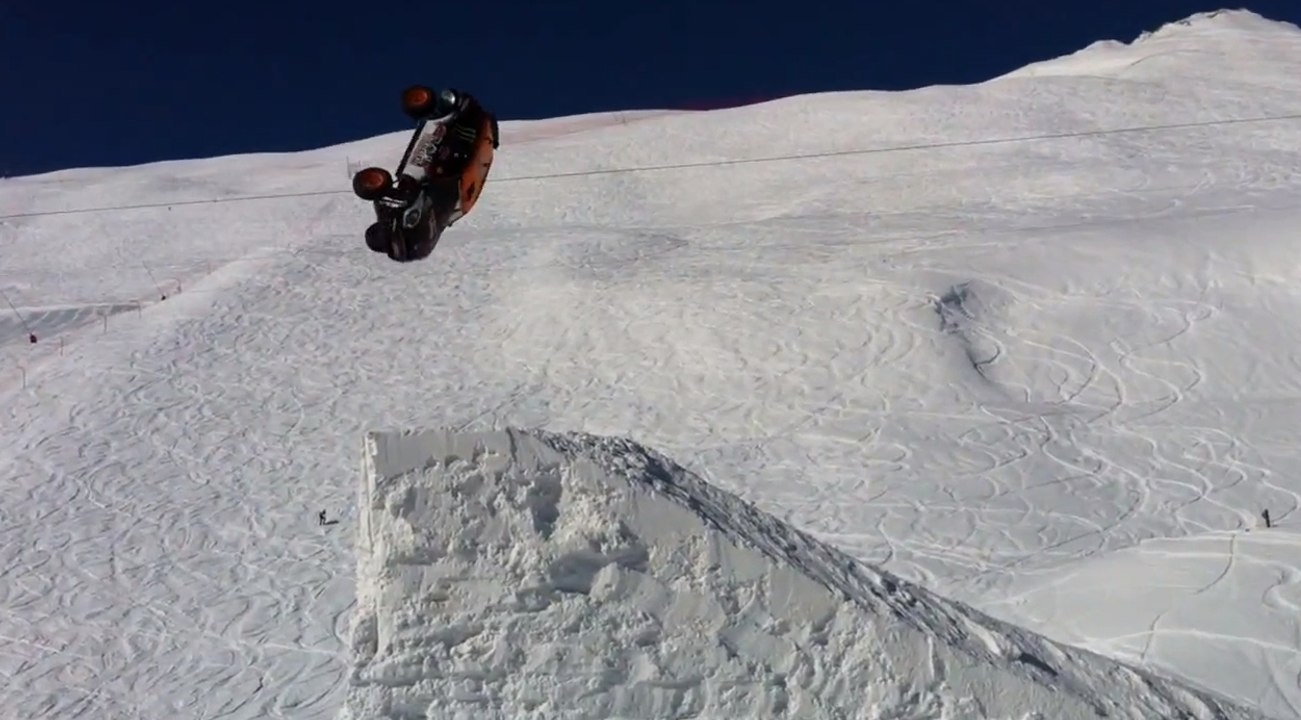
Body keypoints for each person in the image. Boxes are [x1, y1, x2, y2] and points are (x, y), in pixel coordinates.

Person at [353, 86, 500, 262]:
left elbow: (384, 194)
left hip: (431, 182)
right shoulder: (407, 240)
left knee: (439, 156)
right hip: (446, 193)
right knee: (446, 161)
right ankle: (455, 128)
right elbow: (411, 249)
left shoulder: (387, 211)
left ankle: (447, 120)